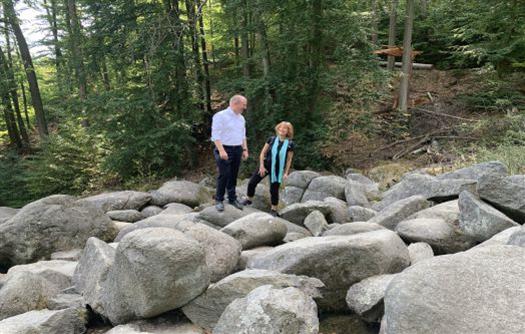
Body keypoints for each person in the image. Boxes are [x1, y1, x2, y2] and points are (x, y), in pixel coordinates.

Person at [241, 121, 295, 216]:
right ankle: (249, 199)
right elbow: (262, 153)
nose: (282, 130)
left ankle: (274, 210)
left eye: (285, 128)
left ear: (288, 131)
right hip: (265, 165)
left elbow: (289, 160)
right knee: (252, 182)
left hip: (278, 169)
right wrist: (261, 166)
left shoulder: (290, 144)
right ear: (278, 129)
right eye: (280, 128)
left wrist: (286, 172)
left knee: (274, 190)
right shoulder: (271, 139)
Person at [211, 95, 249, 212]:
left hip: (237, 148)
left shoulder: (241, 118)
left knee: (233, 174)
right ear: (235, 104)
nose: (245, 107)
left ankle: (232, 198)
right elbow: (215, 135)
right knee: (224, 174)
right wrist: (222, 151)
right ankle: (219, 199)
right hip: (224, 148)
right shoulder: (220, 116)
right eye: (243, 105)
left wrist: (245, 149)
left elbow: (243, 135)